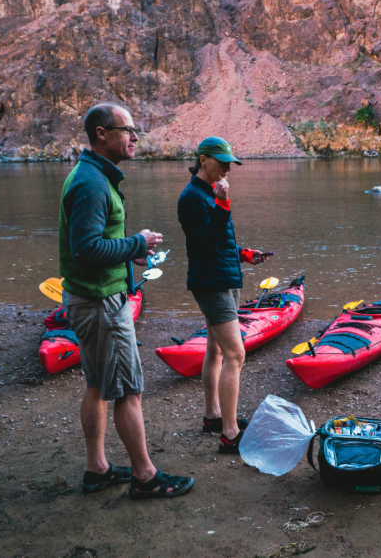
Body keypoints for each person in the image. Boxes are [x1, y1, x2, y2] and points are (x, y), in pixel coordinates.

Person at [60, 102, 193, 499]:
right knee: (128, 390)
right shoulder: (92, 183)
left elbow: (95, 244)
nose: (135, 137)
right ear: (102, 133)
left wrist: (130, 253)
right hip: (101, 302)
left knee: (98, 384)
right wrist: (138, 241)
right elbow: (85, 250)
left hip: (91, 298)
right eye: (128, 129)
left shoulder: (92, 176)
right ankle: (145, 476)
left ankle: (97, 469)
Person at [177, 136, 270, 454]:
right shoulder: (192, 197)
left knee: (217, 351)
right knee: (236, 355)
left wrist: (244, 253)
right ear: (203, 160)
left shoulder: (209, 194)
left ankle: (213, 417)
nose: (229, 168)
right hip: (212, 284)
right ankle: (230, 434)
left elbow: (221, 240)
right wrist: (223, 204)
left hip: (225, 277)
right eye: (222, 161)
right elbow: (203, 243)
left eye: (231, 162)